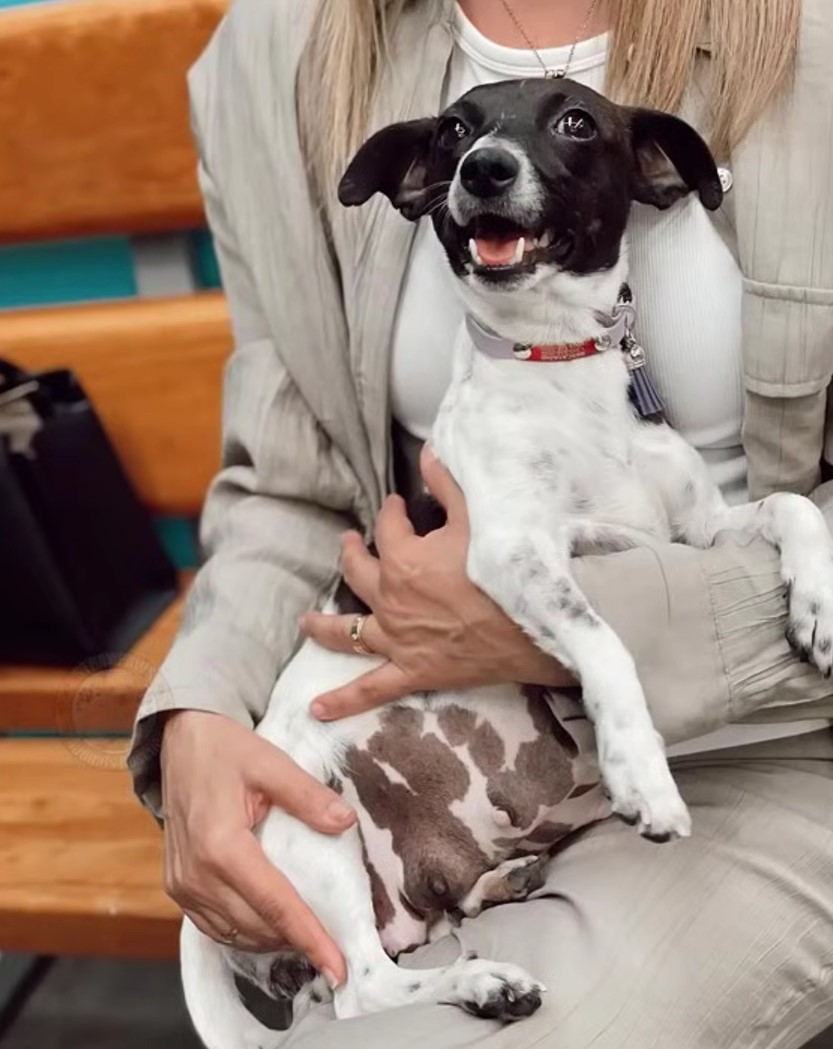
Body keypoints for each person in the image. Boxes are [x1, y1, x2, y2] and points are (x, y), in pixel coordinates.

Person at [129, 1, 833, 1045]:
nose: (492, 161)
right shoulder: (275, 50)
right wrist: (198, 717)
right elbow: (292, 478)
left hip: (771, 743)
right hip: (454, 780)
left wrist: (572, 639)